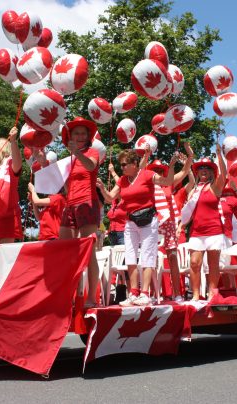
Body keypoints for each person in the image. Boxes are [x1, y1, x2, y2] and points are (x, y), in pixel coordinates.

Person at [97, 149, 178, 306]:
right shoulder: (122, 180)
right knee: (131, 257)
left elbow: (167, 182)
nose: (122, 168)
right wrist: (101, 188)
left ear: (134, 164)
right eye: (121, 165)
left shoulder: (147, 175)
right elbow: (110, 198)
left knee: (147, 256)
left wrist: (172, 164)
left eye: (124, 164)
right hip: (130, 222)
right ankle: (133, 293)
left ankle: (145, 294)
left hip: (148, 220)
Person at [59, 117, 102, 308]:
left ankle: (91, 297)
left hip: (87, 203)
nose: (80, 136)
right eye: (76, 133)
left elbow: (91, 166)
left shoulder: (91, 152)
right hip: (70, 205)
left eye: (83, 133)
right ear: (70, 136)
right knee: (64, 251)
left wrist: (77, 153)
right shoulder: (67, 159)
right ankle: (70, 295)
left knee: (88, 251)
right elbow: (66, 185)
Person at [147, 142, 194, 302]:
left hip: (169, 225)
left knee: (172, 258)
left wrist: (189, 156)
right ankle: (153, 294)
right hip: (152, 224)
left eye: (161, 170)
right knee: (151, 259)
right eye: (155, 170)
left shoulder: (169, 182)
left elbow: (185, 170)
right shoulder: (146, 185)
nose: (158, 172)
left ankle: (177, 293)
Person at [181, 143, 227, 301]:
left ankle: (212, 293)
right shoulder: (193, 190)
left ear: (212, 172)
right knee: (194, 263)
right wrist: (180, 226)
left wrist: (220, 156)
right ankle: (195, 294)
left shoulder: (215, 187)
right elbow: (188, 214)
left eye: (207, 168)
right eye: (201, 168)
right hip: (197, 232)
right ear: (197, 172)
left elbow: (224, 176)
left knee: (213, 265)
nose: (204, 171)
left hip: (214, 231)